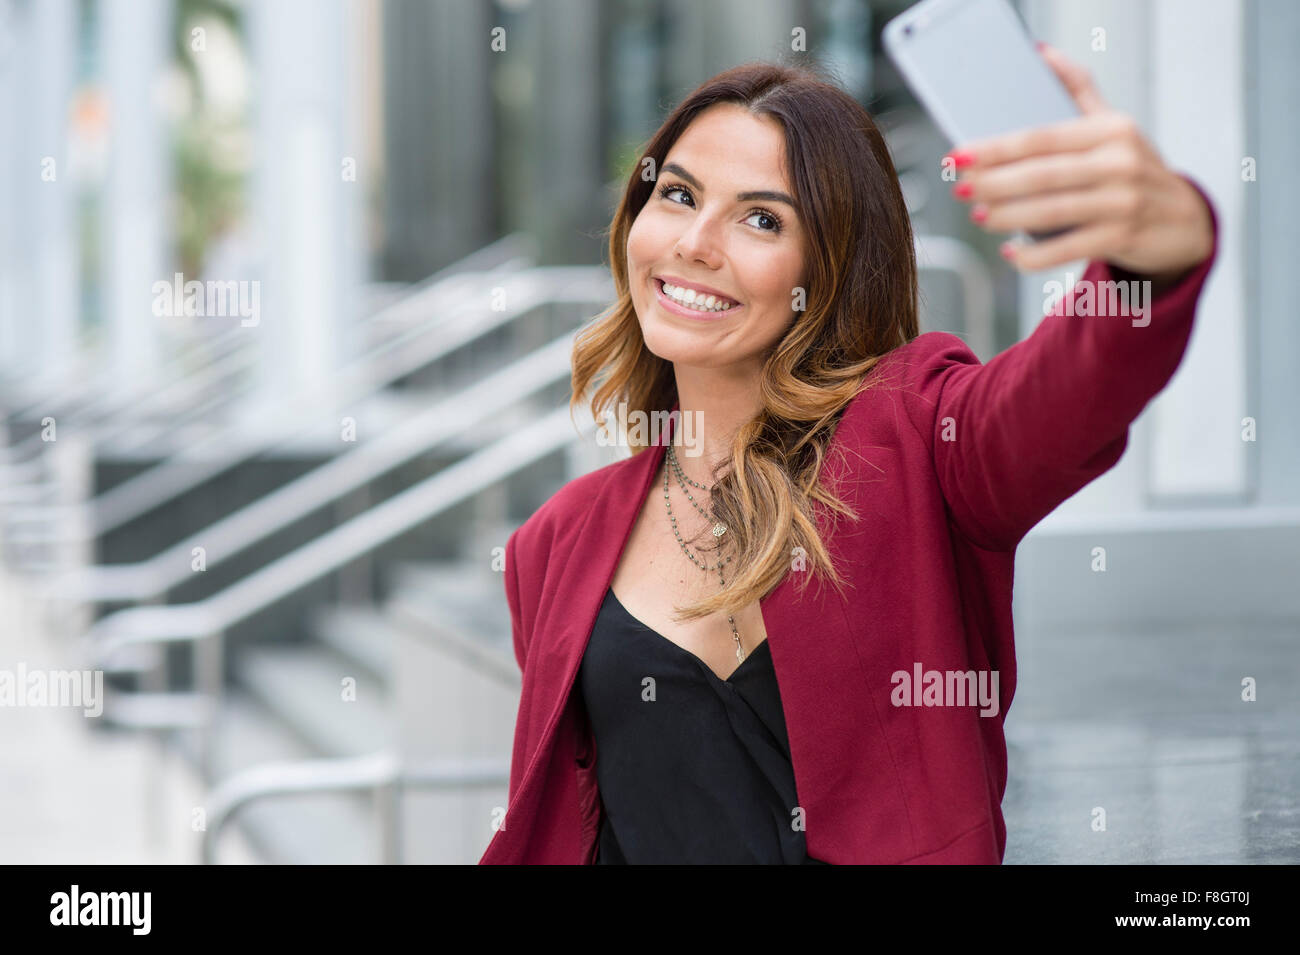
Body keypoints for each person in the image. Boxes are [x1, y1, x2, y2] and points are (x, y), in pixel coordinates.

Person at [479, 49, 1217, 865]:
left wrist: (1154, 256)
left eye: (762, 219)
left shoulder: (915, 438)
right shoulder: (552, 543)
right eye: (678, 194)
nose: (694, 242)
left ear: (830, 269)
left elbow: (1057, 401)